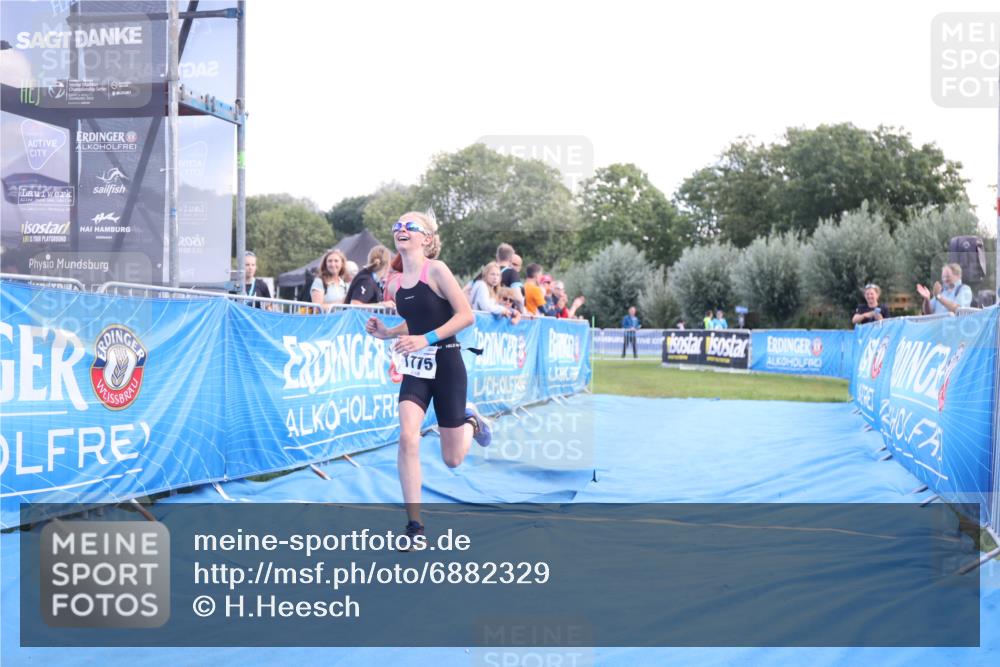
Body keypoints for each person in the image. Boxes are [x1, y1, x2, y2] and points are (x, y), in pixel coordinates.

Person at [364, 211, 491, 541]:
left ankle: (472, 421)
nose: (401, 230)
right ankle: (414, 526)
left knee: (452, 459)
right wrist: (389, 332)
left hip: (447, 364)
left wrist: (427, 339)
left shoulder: (437, 269)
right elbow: (418, 321)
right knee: (408, 437)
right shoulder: (395, 282)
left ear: (427, 239)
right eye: (397, 226)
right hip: (416, 369)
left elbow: (465, 316)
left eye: (410, 227)